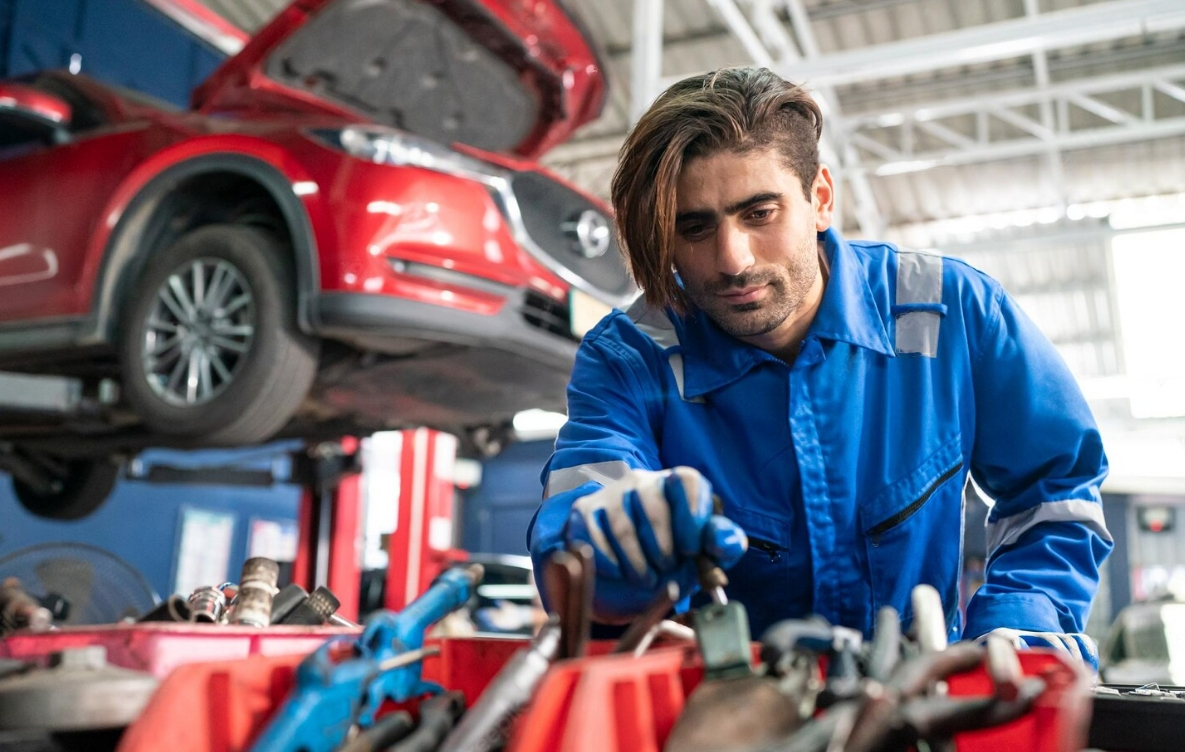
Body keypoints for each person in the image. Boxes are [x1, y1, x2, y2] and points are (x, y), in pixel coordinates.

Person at [527, 67, 1112, 666]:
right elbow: (578, 513)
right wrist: (608, 539)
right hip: (721, 711)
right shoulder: (626, 357)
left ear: (821, 200)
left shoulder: (953, 312)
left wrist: (1021, 623)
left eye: (759, 213)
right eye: (695, 227)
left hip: (920, 701)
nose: (733, 260)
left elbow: (1056, 486)